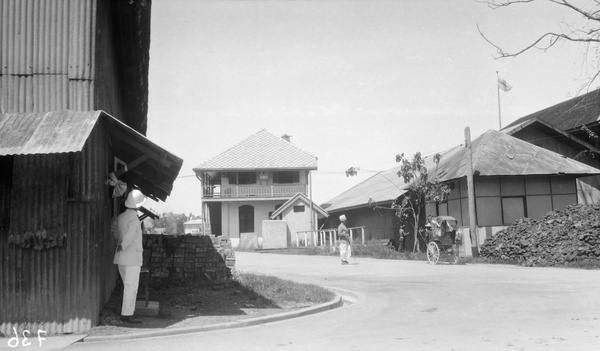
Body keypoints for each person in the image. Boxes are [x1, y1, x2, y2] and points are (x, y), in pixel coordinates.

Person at [113, 189, 147, 323]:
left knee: (127, 286)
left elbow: (114, 230)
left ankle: (126, 312)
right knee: (131, 287)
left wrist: (119, 244)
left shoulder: (121, 217)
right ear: (138, 205)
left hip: (121, 257)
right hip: (132, 257)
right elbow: (130, 236)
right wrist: (123, 244)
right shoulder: (134, 219)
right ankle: (127, 314)